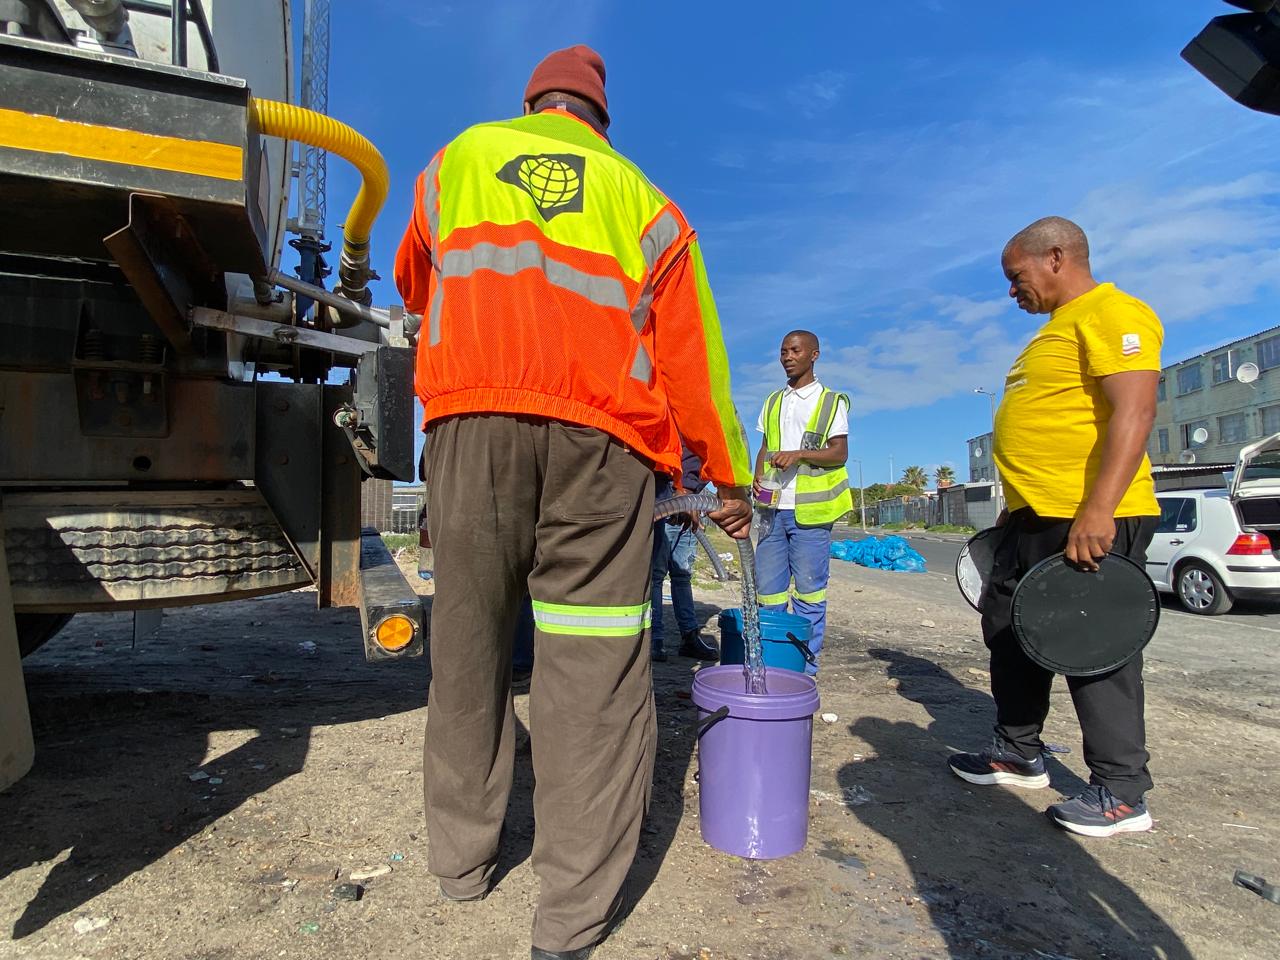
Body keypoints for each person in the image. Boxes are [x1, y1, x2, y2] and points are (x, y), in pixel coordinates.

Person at [393, 45, 753, 960]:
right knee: (591, 668)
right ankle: (569, 919)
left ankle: (461, 864)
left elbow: (413, 280)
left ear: (532, 104)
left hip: (471, 426)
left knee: (468, 648)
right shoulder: (647, 202)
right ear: (600, 117)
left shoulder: (457, 160)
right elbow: (693, 358)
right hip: (603, 444)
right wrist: (728, 476)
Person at [948, 216, 1162, 838]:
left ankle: (1122, 791)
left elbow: (1135, 410)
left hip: (1087, 513)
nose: (1012, 290)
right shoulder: (1055, 331)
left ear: (1057, 257)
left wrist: (1098, 510)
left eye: (1016, 276)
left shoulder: (1113, 313)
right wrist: (1015, 511)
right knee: (1008, 629)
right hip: (1033, 516)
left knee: (1093, 644)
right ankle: (1018, 751)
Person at [753, 330, 853, 673]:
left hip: (810, 512)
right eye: (783, 351)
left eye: (795, 350)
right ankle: (771, 665)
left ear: (814, 355)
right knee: (768, 593)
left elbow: (839, 453)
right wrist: (757, 475)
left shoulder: (830, 401)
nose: (787, 357)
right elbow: (765, 447)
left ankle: (804, 669)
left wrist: (798, 454)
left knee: (809, 593)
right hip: (772, 509)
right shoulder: (773, 401)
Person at [650, 446, 718, 663]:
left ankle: (690, 636)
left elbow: (700, 451)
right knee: (655, 574)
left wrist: (689, 491)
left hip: (689, 496)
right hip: (661, 490)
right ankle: (653, 639)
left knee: (682, 574)